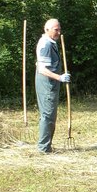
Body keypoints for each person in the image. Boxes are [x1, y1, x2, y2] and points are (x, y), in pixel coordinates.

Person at [35, 18, 71, 154]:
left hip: (51, 83)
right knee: (47, 115)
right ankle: (44, 148)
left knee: (50, 115)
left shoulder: (51, 42)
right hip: (46, 84)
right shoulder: (46, 44)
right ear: (47, 29)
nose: (58, 32)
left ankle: (47, 146)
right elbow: (42, 69)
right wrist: (60, 77)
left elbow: (41, 64)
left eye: (59, 29)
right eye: (56, 30)